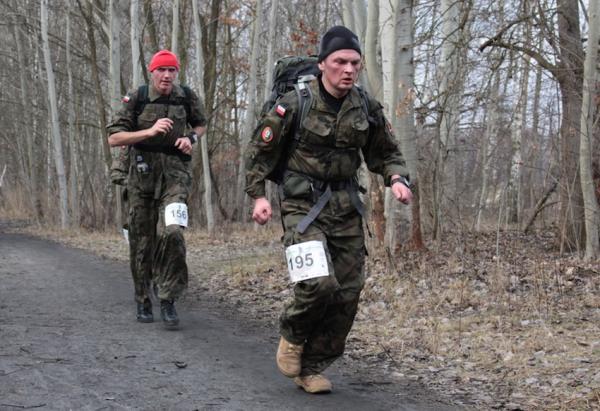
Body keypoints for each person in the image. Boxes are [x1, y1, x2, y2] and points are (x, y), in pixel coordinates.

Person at [244, 26, 413, 394]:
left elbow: (386, 152)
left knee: (348, 292)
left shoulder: (365, 106)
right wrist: (258, 197)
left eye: (354, 62)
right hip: (301, 205)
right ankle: (292, 333)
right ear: (323, 64)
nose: (348, 69)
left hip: (346, 206)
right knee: (318, 283)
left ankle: (313, 367)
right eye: (340, 62)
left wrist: (397, 179)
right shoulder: (295, 102)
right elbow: (260, 154)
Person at [107, 50, 207, 329]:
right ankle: (143, 298)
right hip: (141, 177)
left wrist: (190, 139)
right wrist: (148, 132)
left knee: (173, 232)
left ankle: (168, 298)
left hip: (176, 176)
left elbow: (200, 124)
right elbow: (114, 138)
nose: (166, 76)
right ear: (152, 72)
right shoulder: (136, 98)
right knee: (142, 242)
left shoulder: (186, 96)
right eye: (161, 70)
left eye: (172, 70)